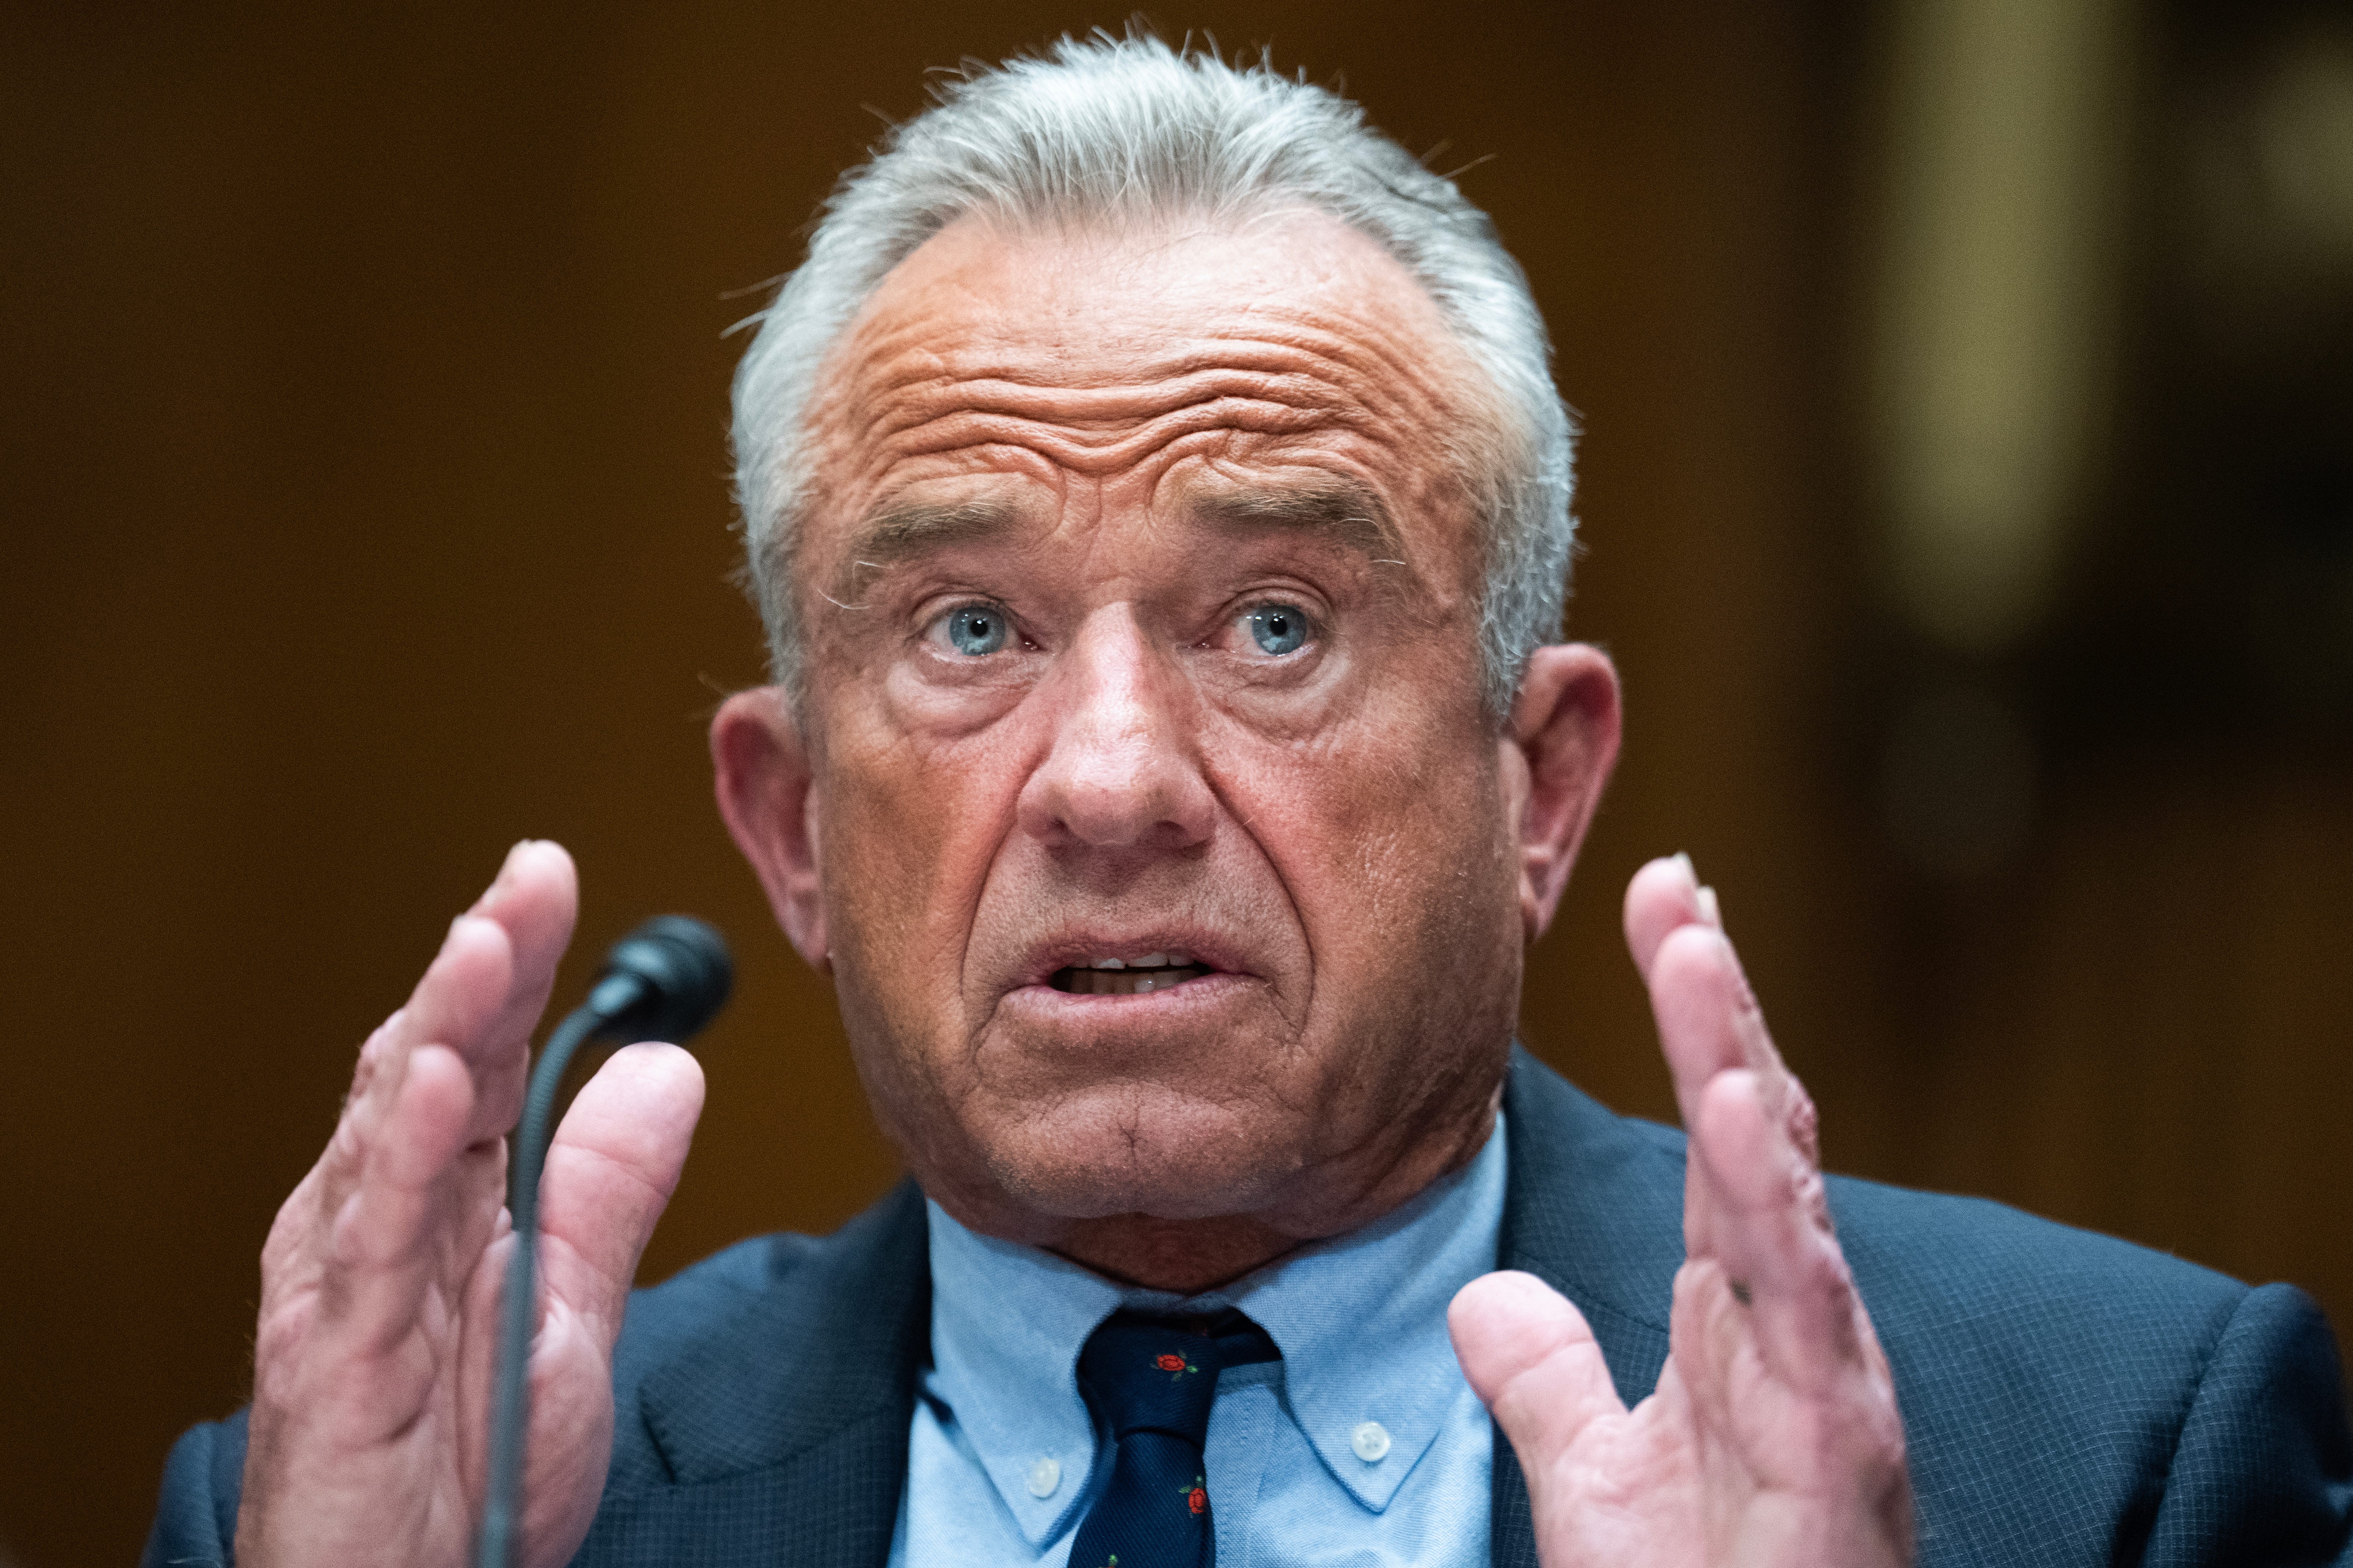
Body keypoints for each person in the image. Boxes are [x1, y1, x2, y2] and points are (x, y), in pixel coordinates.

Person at [145, 35, 2351, 1568]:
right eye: (970, 630)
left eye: (1275, 622)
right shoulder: (388, 1516)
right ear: (794, 827)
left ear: (1538, 784)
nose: (1109, 784)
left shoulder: (2107, 1461)